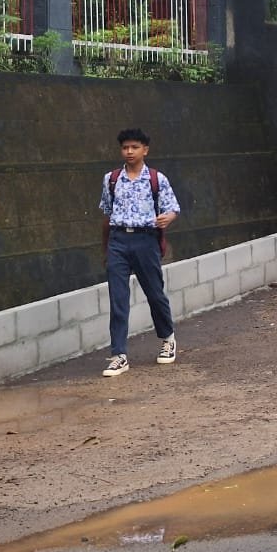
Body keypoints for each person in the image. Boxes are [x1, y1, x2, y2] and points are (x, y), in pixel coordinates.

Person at [98, 128, 181, 377]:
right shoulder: (111, 179)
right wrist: (107, 248)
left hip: (146, 241)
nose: (129, 152)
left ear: (145, 149)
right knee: (118, 299)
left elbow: (172, 208)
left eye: (134, 147)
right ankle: (119, 355)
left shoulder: (157, 179)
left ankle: (167, 338)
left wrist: (168, 218)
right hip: (118, 241)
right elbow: (106, 213)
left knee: (155, 293)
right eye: (125, 147)